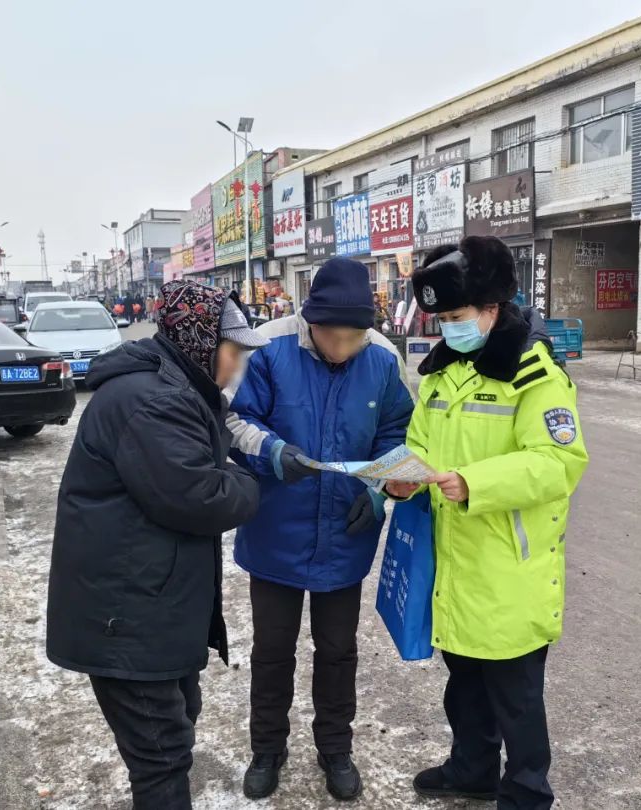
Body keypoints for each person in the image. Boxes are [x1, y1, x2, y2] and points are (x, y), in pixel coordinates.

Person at [46, 280, 268, 810]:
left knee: (175, 725)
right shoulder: (155, 401)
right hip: (128, 617)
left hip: (147, 604)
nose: (237, 365)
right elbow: (201, 497)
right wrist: (247, 480)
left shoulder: (171, 387)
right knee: (161, 755)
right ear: (200, 343)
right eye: (233, 351)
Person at [388, 236, 588, 810]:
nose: (450, 328)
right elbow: (420, 443)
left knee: (516, 698)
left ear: (492, 308)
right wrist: (402, 476)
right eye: (443, 319)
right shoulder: (440, 374)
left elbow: (558, 462)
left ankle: (526, 793)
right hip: (455, 559)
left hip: (508, 564)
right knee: (466, 685)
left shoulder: (534, 373)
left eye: (458, 316)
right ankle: (472, 770)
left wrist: (475, 482)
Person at [226, 257, 414, 802]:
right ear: (311, 321)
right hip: (275, 532)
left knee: (337, 650)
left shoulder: (382, 357)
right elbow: (233, 419)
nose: (343, 348)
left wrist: (378, 491)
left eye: (354, 337)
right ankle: (267, 749)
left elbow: (397, 432)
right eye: (333, 336)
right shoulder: (268, 347)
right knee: (272, 649)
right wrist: (272, 451)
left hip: (344, 534)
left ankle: (335, 748)